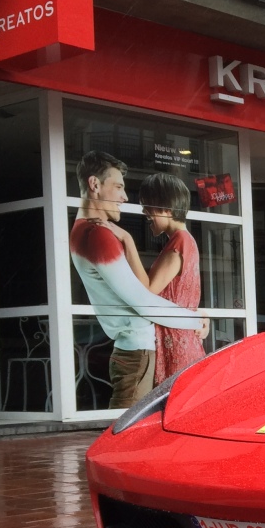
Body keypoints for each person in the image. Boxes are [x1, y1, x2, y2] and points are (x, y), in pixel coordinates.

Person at [70, 152, 202, 408]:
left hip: (156, 343)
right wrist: (196, 317)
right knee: (131, 427)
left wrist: (196, 316)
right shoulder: (96, 234)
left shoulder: (179, 242)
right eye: (119, 187)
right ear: (94, 185)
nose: (126, 199)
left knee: (148, 422)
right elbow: (145, 298)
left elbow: (147, 294)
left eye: (147, 206)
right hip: (141, 346)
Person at [126, 174, 208, 383]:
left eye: (148, 206)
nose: (145, 212)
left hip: (176, 340)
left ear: (167, 208)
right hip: (181, 337)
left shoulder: (179, 241)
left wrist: (127, 242)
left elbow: (149, 289)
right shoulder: (186, 240)